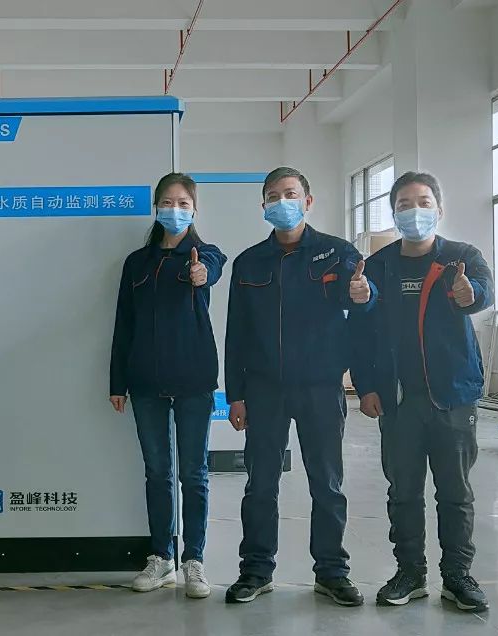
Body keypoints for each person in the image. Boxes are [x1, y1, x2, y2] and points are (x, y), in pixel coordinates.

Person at [224, 167, 375, 606]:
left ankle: (332, 571)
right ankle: (256, 570)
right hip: (264, 390)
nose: (282, 202)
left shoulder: (337, 253)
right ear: (263, 206)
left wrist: (365, 295)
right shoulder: (249, 262)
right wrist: (236, 394)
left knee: (326, 484)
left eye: (290, 194)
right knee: (260, 484)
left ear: (307, 201)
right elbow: (237, 333)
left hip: (320, 387)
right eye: (273, 196)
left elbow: (359, 300)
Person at [349, 171, 493, 613]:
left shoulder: (461, 258)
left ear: (439, 209)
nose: (415, 211)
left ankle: (458, 576)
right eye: (405, 204)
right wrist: (366, 386)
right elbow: (362, 332)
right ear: (394, 214)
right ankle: (410, 572)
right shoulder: (378, 265)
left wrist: (469, 294)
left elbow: (481, 294)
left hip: (453, 396)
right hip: (398, 400)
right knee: (404, 491)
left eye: (423, 202)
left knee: (455, 492)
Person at [109, 173, 227, 599]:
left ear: (194, 210)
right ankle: (161, 558)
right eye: (167, 202)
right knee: (158, 472)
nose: (174, 210)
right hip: (145, 383)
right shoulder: (136, 263)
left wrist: (200, 273)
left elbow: (210, 271)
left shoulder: (206, 254)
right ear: (156, 207)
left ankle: (194, 560)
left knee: (194, 474)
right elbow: (124, 323)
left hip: (194, 380)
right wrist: (117, 381)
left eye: (183, 203)